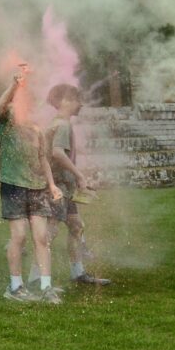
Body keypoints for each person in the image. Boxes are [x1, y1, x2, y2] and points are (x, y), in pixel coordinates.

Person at [0, 63, 63, 304]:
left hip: (37, 187)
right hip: (13, 185)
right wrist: (16, 84)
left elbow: (43, 159)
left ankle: (46, 287)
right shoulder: (6, 124)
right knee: (19, 237)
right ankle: (15, 287)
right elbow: (1, 105)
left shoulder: (37, 130)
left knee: (42, 238)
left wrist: (52, 185)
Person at [44, 83, 109, 288]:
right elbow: (57, 153)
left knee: (76, 226)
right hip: (58, 188)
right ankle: (37, 277)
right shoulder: (62, 125)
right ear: (65, 101)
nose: (81, 104)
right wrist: (79, 175)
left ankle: (78, 273)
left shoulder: (60, 123)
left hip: (65, 187)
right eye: (77, 99)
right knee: (49, 232)